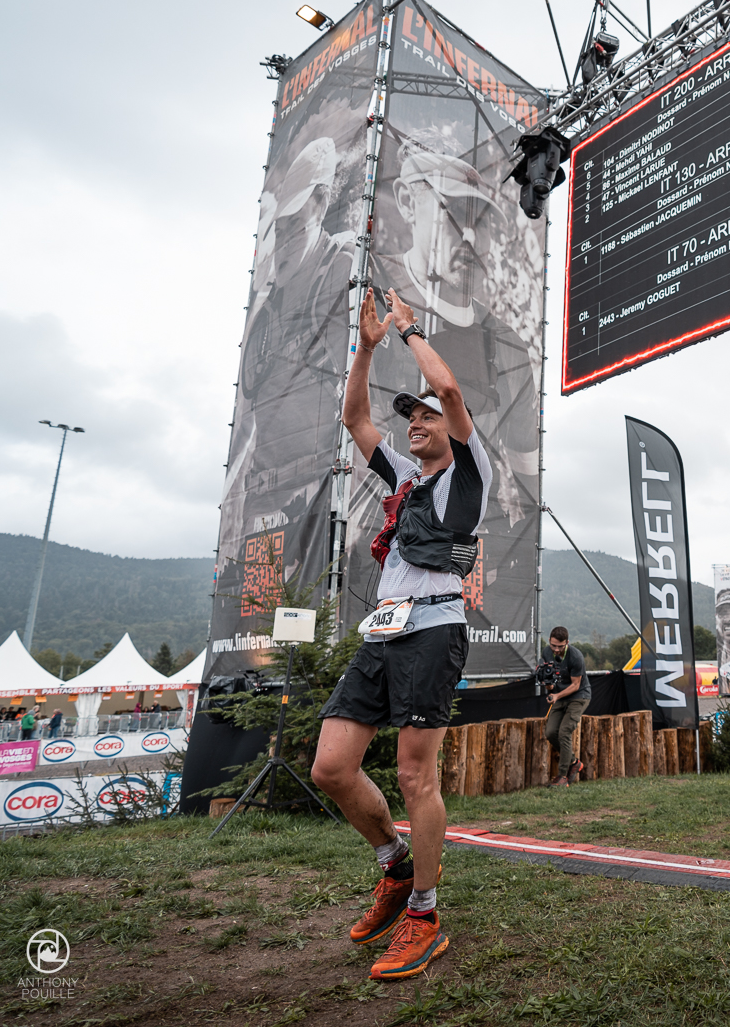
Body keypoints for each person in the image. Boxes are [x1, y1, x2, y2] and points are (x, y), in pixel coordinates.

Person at [311, 286, 491, 983]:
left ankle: (423, 913)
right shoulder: (406, 478)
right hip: (383, 634)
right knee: (331, 766)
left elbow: (447, 386)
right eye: (409, 416)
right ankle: (393, 867)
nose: (414, 421)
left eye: (423, 415)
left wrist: (412, 331)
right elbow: (353, 415)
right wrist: (368, 346)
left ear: (449, 426)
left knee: (416, 773)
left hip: (434, 631)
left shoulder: (467, 474)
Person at [542, 627, 590, 787]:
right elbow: (549, 683)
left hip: (578, 696)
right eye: (553, 645)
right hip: (559, 696)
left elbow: (576, 685)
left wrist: (556, 695)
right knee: (550, 732)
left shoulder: (576, 656)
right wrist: (548, 686)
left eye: (560, 646)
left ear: (567, 643)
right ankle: (574, 762)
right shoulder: (546, 653)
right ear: (549, 640)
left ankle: (562, 777)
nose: (556, 650)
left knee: (564, 732)